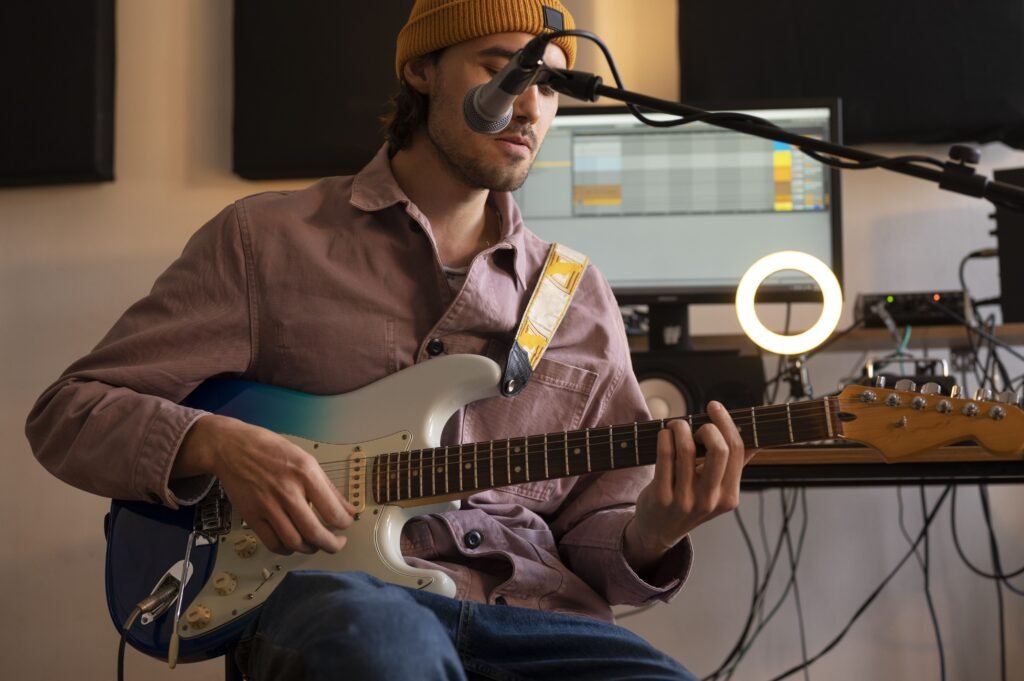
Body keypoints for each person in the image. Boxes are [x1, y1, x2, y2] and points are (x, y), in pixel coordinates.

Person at [26, 1, 753, 679]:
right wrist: (216, 443)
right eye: (503, 67)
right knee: (381, 644)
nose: (531, 104)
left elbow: (595, 536)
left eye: (552, 86)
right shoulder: (266, 242)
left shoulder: (574, 294)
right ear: (422, 69)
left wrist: (653, 530)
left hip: (537, 616)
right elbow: (69, 413)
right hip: (342, 601)